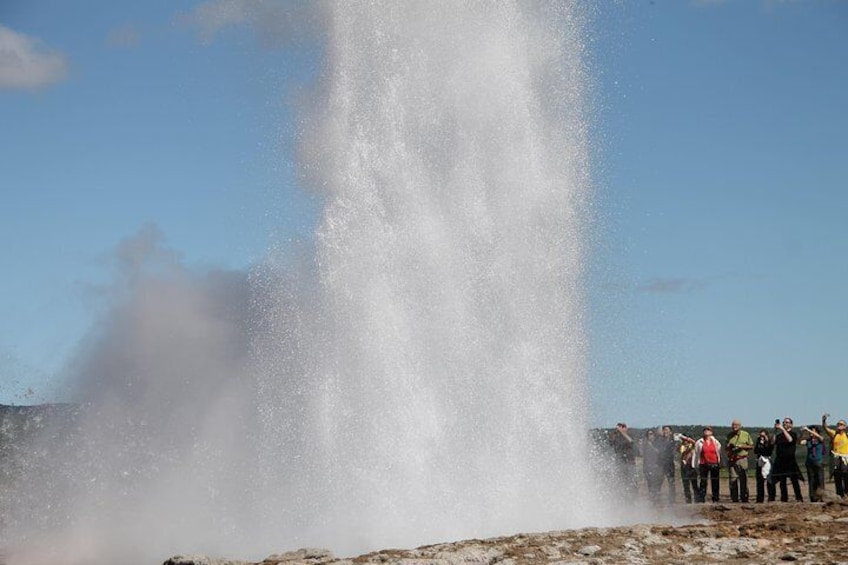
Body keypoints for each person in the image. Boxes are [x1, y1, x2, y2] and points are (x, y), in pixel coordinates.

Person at [771, 417, 804, 502]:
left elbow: (790, 440)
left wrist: (782, 429)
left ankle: (799, 498)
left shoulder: (793, 434)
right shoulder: (779, 435)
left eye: (787, 422)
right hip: (780, 460)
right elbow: (772, 442)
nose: (785, 424)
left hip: (790, 460)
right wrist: (775, 430)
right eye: (784, 422)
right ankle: (784, 498)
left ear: (791, 424)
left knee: (794, 480)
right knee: (782, 481)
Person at [725, 419, 754, 503]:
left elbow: (751, 446)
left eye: (736, 425)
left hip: (742, 459)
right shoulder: (729, 435)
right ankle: (734, 499)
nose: (734, 427)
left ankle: (744, 497)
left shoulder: (745, 434)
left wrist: (742, 446)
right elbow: (725, 448)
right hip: (732, 460)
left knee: (743, 479)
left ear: (740, 426)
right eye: (733, 425)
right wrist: (729, 446)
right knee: (732, 480)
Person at [822, 413, 848, 498]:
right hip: (836, 458)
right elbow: (825, 428)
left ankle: (847, 493)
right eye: (838, 424)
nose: (839, 425)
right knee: (837, 476)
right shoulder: (834, 434)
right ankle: (840, 495)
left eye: (841, 424)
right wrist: (824, 420)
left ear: (845, 426)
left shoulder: (846, 435)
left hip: (845, 458)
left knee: (846, 475)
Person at [693, 426, 722, 503]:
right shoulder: (699, 442)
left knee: (715, 481)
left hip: (714, 463)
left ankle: (715, 498)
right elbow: (696, 454)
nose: (706, 431)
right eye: (705, 430)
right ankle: (701, 498)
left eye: (708, 430)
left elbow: (718, 451)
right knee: (703, 482)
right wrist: (695, 464)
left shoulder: (715, 442)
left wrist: (719, 462)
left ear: (711, 432)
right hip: (703, 463)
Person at [610, 422, 638, 500]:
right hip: (620, 463)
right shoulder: (616, 437)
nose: (621, 428)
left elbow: (631, 442)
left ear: (626, 428)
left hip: (630, 463)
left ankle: (634, 499)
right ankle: (623, 499)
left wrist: (622, 433)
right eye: (619, 427)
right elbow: (611, 443)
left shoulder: (630, 435)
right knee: (622, 482)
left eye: (623, 426)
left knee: (632, 482)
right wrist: (615, 433)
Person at [801, 425, 825, 502]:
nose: (811, 433)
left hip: (818, 462)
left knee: (820, 480)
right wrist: (802, 434)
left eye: (813, 431)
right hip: (809, 462)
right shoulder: (808, 441)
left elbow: (821, 438)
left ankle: (821, 497)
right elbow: (800, 442)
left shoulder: (819, 439)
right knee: (812, 480)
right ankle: (813, 497)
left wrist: (808, 429)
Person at [754, 429, 776, 503]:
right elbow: (756, 451)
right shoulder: (759, 442)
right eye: (761, 435)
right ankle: (760, 498)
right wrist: (759, 442)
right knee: (760, 481)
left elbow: (770, 448)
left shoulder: (769, 443)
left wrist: (766, 440)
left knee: (769, 480)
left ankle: (771, 497)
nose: (762, 437)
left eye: (763, 435)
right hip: (760, 461)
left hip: (767, 461)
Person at [641, 429, 663, 502]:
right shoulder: (645, 444)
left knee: (657, 484)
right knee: (650, 484)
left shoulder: (657, 443)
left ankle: (657, 499)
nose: (649, 436)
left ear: (654, 435)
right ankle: (652, 500)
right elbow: (642, 454)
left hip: (656, 466)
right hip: (648, 467)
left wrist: (651, 446)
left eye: (651, 434)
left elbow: (659, 452)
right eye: (648, 434)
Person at [658, 425, 678, 503]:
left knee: (671, 482)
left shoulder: (673, 440)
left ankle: (672, 500)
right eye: (664, 430)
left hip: (669, 464)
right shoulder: (660, 440)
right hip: (661, 464)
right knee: (659, 481)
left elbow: (675, 449)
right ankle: (657, 499)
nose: (665, 431)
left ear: (670, 432)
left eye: (667, 430)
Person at [678, 433, 697, 503]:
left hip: (692, 467)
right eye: (683, 440)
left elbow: (694, 443)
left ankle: (697, 500)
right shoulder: (682, 446)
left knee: (694, 484)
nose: (685, 441)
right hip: (684, 467)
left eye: (686, 439)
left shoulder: (693, 445)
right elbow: (680, 452)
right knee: (686, 485)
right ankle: (688, 500)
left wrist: (685, 438)